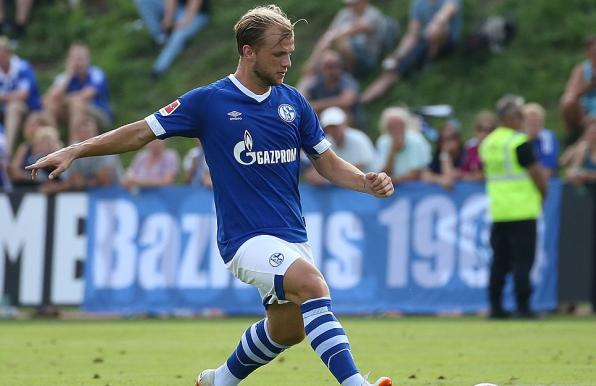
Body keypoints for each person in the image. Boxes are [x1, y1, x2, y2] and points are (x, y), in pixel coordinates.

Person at [26, 5, 394, 386]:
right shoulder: (209, 101)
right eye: (278, 54)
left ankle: (218, 380)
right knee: (313, 286)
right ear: (248, 52)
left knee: (287, 331)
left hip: (292, 236)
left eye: (290, 54)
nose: (287, 62)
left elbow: (328, 162)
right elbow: (140, 132)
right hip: (245, 238)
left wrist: (365, 182)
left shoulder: (293, 102)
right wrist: (76, 149)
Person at [479, 101, 548, 319]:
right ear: (509, 118)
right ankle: (523, 307)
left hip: (498, 210)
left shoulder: (488, 143)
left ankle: (496, 307)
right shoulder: (518, 142)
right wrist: (543, 194)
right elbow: (536, 173)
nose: (522, 120)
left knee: (499, 261)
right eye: (519, 115)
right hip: (522, 210)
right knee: (522, 262)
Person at [361, 0, 461, 103]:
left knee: (437, 28)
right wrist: (397, 55)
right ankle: (362, 100)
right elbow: (412, 34)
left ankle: (428, 64)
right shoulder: (418, 3)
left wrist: (436, 24)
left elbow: (447, 12)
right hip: (424, 42)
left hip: (447, 42)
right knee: (392, 67)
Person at [299, 0, 386, 85]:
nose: (351, 6)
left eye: (354, 3)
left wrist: (333, 37)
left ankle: (349, 73)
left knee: (339, 42)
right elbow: (329, 34)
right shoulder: (344, 13)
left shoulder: (373, 14)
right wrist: (314, 60)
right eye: (349, 4)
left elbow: (358, 28)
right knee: (320, 63)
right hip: (342, 55)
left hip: (367, 58)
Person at [43, 42, 113, 142]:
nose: (78, 62)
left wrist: (64, 99)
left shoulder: (96, 73)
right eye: (74, 59)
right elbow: (50, 97)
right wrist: (69, 74)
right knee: (51, 104)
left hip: (99, 113)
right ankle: (52, 143)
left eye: (81, 58)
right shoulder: (64, 77)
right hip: (72, 112)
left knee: (77, 103)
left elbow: (85, 95)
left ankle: (73, 146)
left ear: (88, 59)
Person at [134, 0, 210, 78]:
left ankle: (159, 69)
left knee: (179, 35)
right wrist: (168, 19)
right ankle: (160, 38)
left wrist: (187, 19)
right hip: (179, 10)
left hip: (197, 14)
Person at [303, 106, 375, 185]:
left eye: (336, 126)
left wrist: (325, 175)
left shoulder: (359, 139)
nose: (333, 130)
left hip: (366, 187)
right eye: (330, 127)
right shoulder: (325, 141)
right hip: (347, 188)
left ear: (344, 124)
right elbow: (314, 165)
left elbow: (362, 166)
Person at [302, 49, 365, 129]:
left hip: (348, 120)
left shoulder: (347, 81)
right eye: (328, 67)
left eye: (335, 66)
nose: (332, 71)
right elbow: (301, 102)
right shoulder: (317, 82)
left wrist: (316, 105)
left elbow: (346, 101)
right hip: (323, 119)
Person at [0, 36, 42, 156]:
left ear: (8, 53)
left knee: (14, 107)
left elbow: (23, 95)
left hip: (29, 109)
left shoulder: (23, 67)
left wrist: (3, 96)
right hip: (4, 109)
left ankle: (5, 153)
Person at [376, 106, 431, 184]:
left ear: (405, 125)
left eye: (399, 126)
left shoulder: (416, 140)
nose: (396, 130)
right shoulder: (383, 141)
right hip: (394, 188)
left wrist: (390, 182)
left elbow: (415, 174)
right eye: (392, 127)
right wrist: (392, 151)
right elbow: (385, 173)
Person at [560, 35, 596, 144]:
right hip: (585, 108)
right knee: (567, 103)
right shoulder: (581, 70)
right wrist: (588, 86)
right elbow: (571, 92)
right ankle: (574, 135)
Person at [421, 119, 463, 189]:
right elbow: (424, 174)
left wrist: (445, 154)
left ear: (458, 139)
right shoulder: (438, 155)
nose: (447, 142)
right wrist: (439, 179)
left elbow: (450, 176)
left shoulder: (465, 154)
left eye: (451, 138)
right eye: (443, 139)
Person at [522, 102, 560, 178]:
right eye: (530, 122)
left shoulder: (548, 137)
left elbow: (547, 167)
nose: (534, 126)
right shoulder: (517, 138)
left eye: (537, 122)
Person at [460, 110, 496, 181]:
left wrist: (484, 175)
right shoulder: (469, 148)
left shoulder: (500, 149)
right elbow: (462, 172)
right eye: (480, 128)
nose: (484, 133)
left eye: (489, 130)